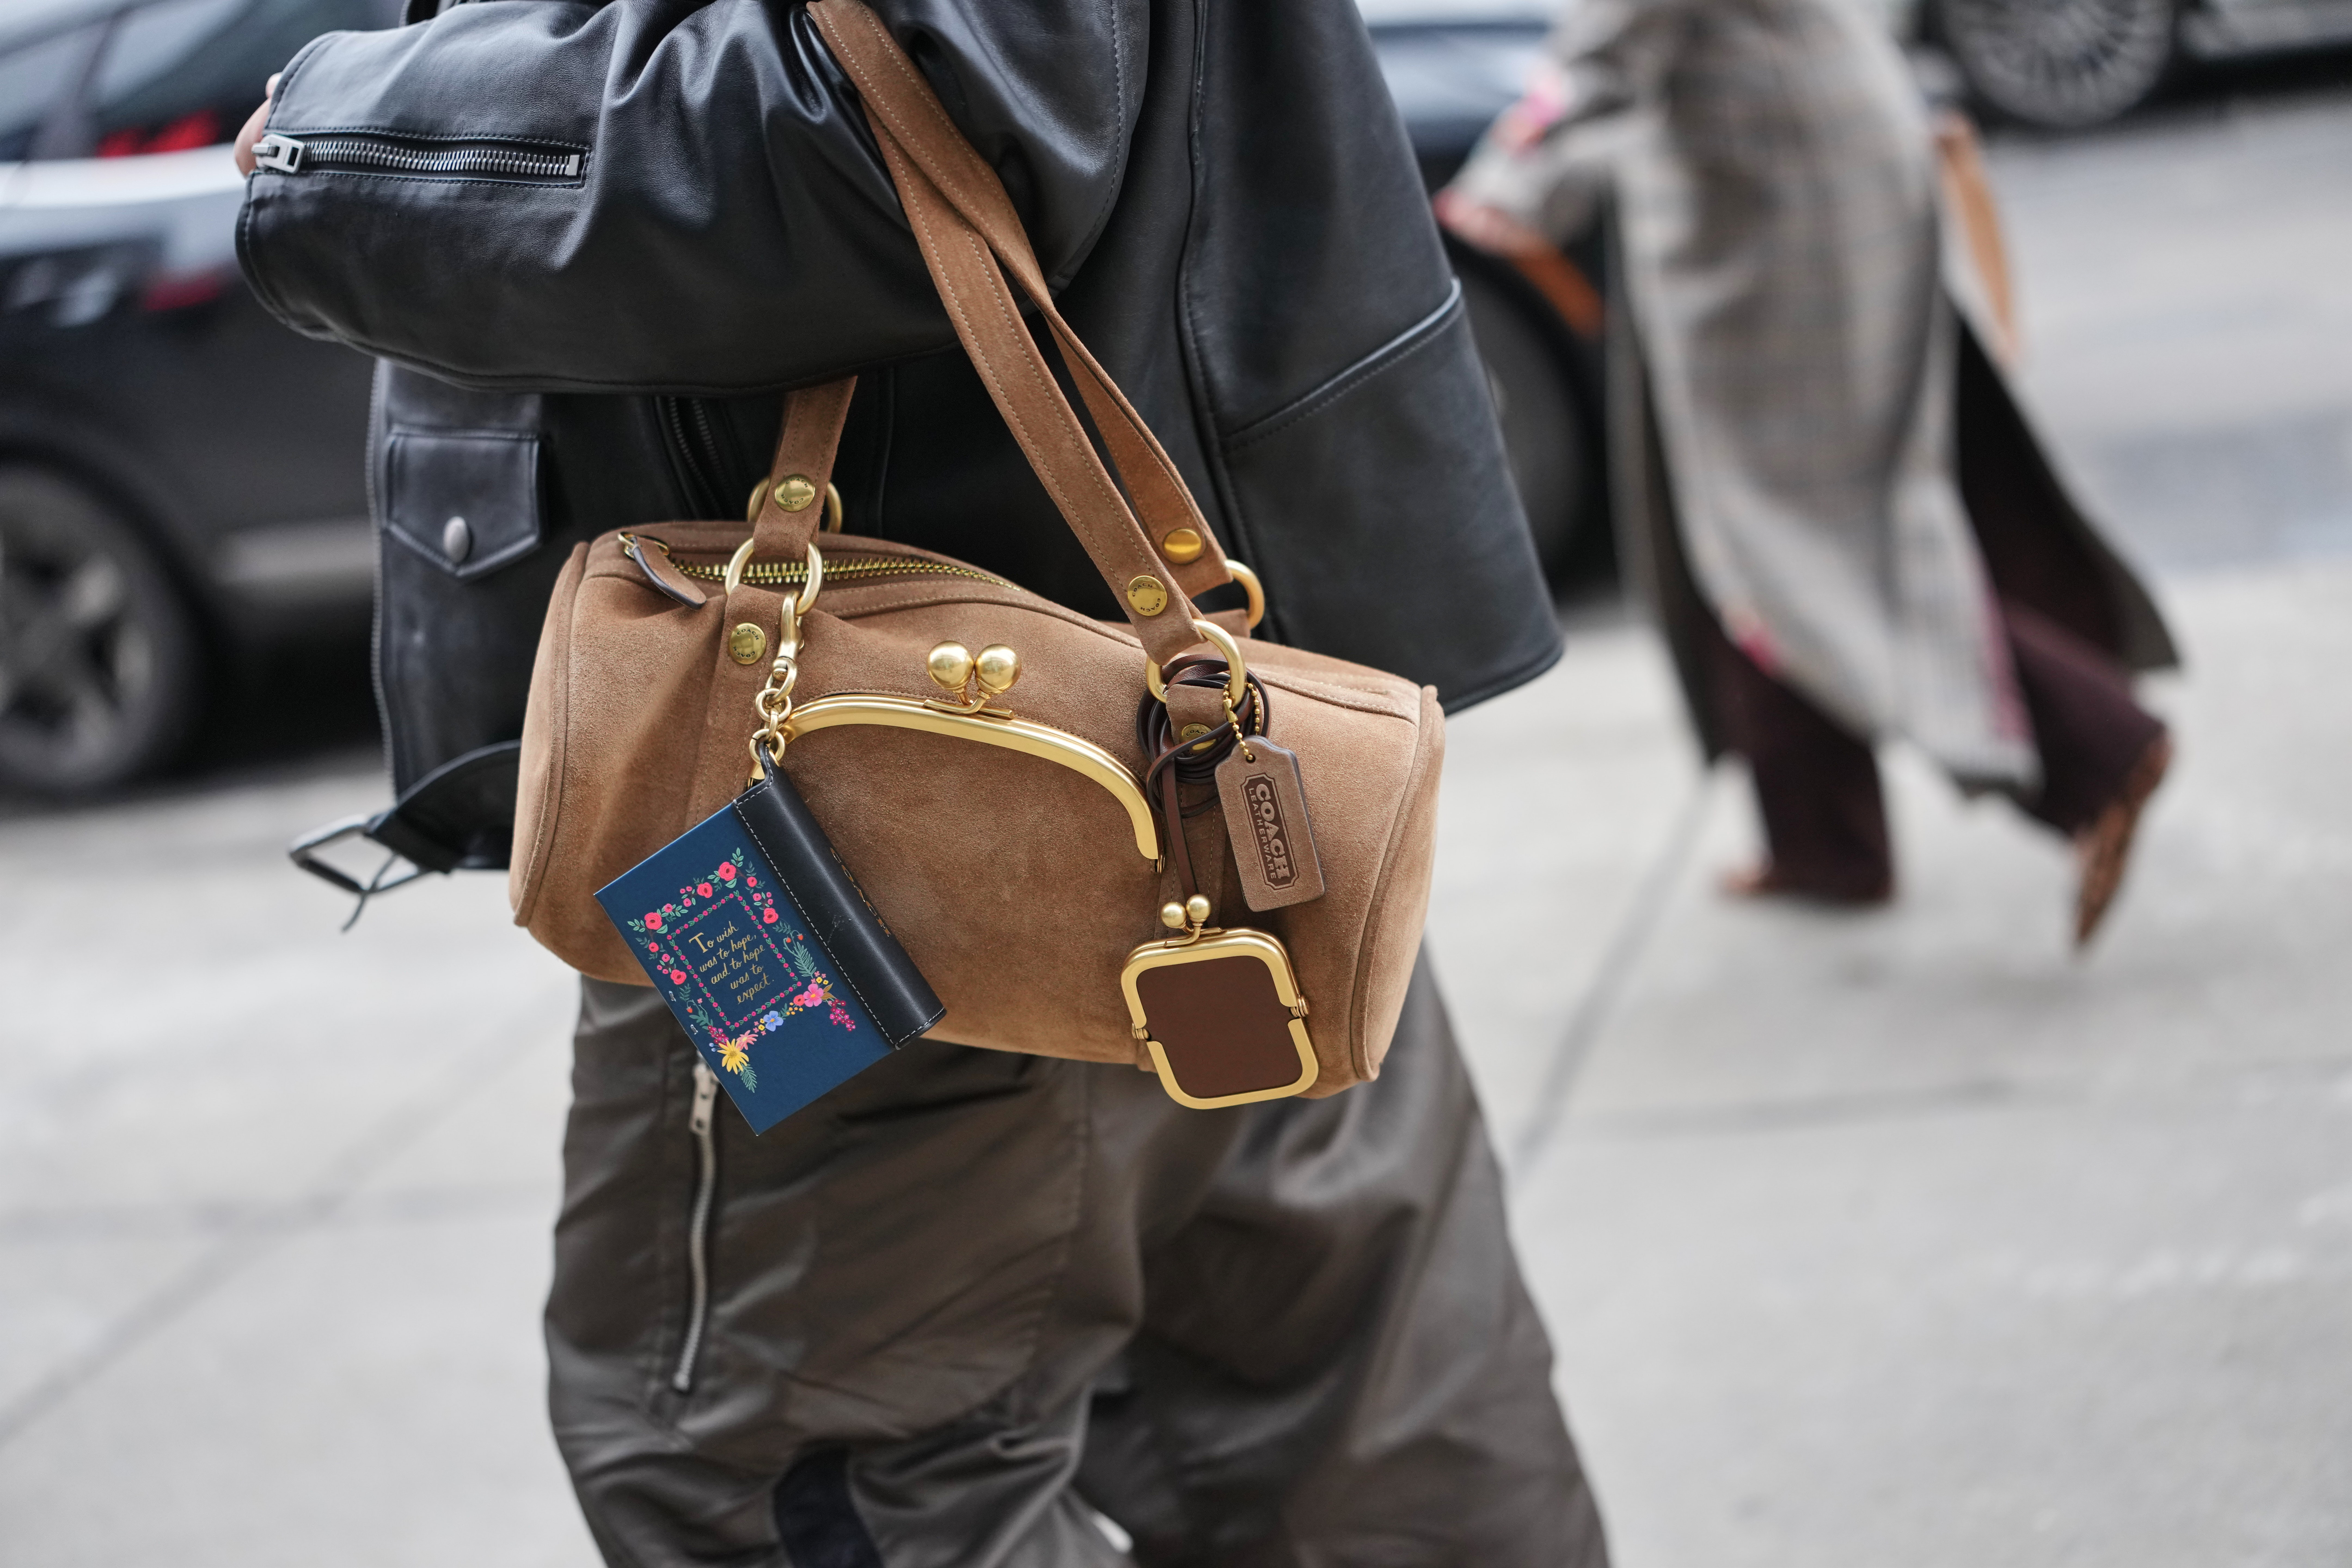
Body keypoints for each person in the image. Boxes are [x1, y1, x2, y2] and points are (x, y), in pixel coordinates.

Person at [232, 2, 1610, 1563]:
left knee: (781, 1465)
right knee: (1353, 1436)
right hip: (1208, 766)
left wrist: (337, 140)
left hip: (890, 804)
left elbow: (912, 118)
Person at [1439, 0, 2178, 945]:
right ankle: (1825, 843)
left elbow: (1616, 31)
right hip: (1802, 149)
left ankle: (2097, 753)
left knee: (1794, 531)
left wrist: (1509, 177)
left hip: (1771, 192)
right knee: (1756, 517)